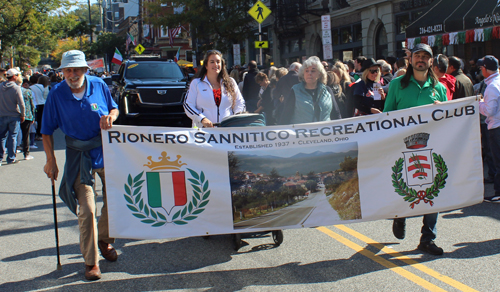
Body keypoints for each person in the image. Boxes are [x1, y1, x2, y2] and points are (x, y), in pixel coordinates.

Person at [41, 50, 119, 281]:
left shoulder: (99, 85)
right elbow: (46, 131)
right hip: (78, 157)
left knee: (114, 201)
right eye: (67, 70)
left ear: (86, 70)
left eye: (76, 69)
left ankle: (104, 239)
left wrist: (111, 117)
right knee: (87, 210)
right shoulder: (56, 94)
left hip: (104, 152)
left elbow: (114, 108)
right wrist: (50, 161)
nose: (72, 74)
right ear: (62, 72)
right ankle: (91, 261)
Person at [384, 43, 448, 255]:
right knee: (403, 185)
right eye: (417, 56)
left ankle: (427, 238)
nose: (421, 59)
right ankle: (400, 215)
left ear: (432, 61)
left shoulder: (439, 88)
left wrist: (443, 111)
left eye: (425, 57)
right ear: (410, 60)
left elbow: (448, 120)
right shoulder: (396, 85)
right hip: (402, 147)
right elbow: (387, 117)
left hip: (431, 147)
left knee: (433, 191)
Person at [183, 50, 245, 128]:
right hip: (203, 131)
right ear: (206, 65)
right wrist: (202, 119)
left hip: (227, 130)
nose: (216, 65)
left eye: (218, 62)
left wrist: (236, 117)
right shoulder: (196, 83)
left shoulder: (230, 82)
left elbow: (240, 102)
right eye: (212, 62)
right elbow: (188, 105)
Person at [279, 56, 341, 125]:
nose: (309, 73)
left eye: (313, 71)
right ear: (303, 74)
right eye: (307, 71)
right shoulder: (295, 90)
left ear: (320, 74)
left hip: (324, 134)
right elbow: (286, 116)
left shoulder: (327, 90)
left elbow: (336, 114)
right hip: (302, 134)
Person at [478, 55, 500, 202]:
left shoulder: (492, 86)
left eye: (481, 67)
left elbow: (489, 111)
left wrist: (479, 103)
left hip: (496, 127)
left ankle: (498, 193)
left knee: (498, 161)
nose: (480, 69)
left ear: (486, 69)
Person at [0, 69, 25, 165]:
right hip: (14, 116)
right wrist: (23, 114)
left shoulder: (0, 86)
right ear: (14, 76)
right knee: (13, 137)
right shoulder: (16, 88)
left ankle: (0, 157)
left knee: (2, 137)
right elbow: (21, 103)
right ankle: (11, 158)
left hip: (2, 115)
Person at [18, 78, 35, 160]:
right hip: (27, 115)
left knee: (12, 135)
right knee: (26, 135)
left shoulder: (11, 91)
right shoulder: (27, 91)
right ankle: (26, 153)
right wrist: (33, 116)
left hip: (14, 114)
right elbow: (32, 104)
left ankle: (12, 153)